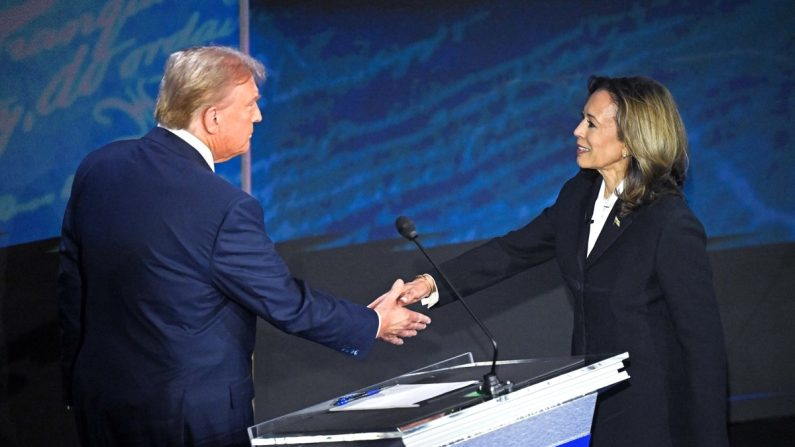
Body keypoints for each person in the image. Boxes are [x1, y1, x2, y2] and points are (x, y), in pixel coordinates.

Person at [58, 45, 431, 447]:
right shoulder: (223, 206)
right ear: (212, 117)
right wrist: (373, 323)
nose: (258, 115)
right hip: (189, 418)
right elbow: (287, 303)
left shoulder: (100, 166)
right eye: (251, 103)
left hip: (102, 403)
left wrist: (76, 383)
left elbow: (72, 286)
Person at [395, 76, 729, 446]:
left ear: (631, 140)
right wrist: (431, 284)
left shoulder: (668, 222)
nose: (576, 131)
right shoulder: (579, 194)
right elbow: (513, 251)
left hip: (651, 413)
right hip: (591, 403)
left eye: (591, 123)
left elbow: (703, 347)